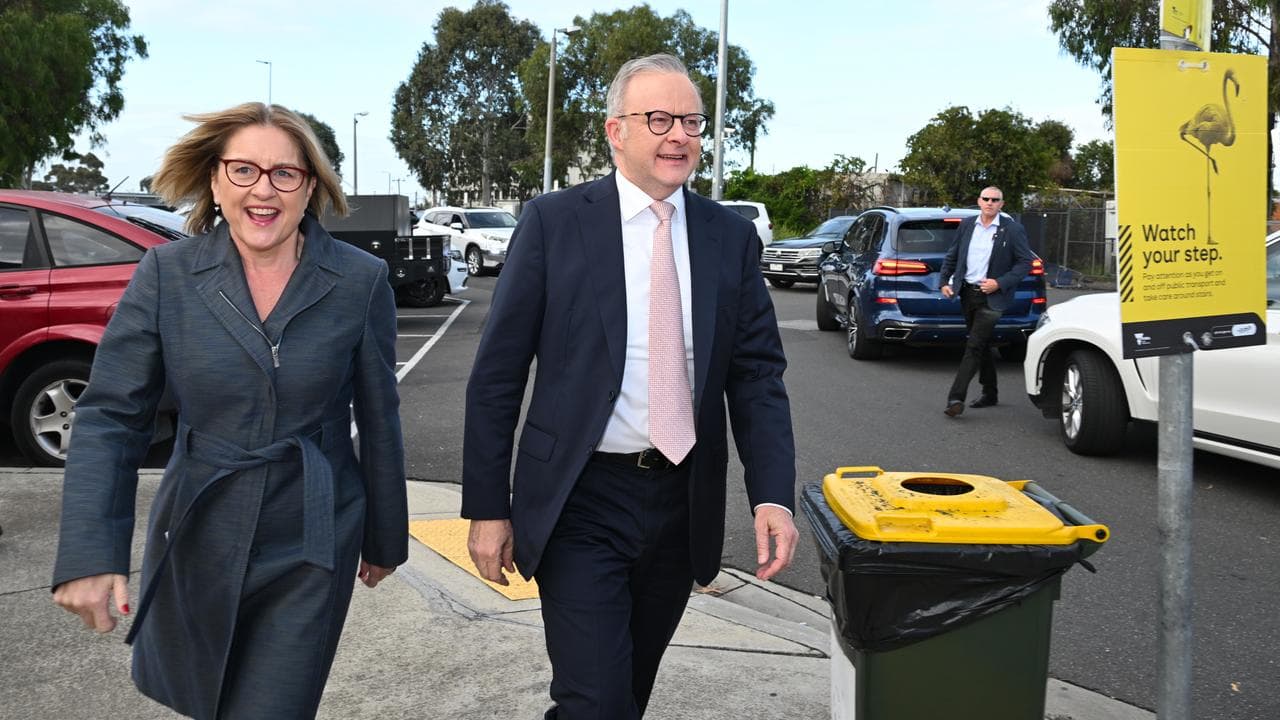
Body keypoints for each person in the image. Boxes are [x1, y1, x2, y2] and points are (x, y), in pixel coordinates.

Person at [462, 54, 799, 719]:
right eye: (660, 119)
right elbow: (498, 373)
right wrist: (487, 506)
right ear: (616, 132)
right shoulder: (554, 223)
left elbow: (757, 374)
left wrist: (772, 497)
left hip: (681, 503)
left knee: (628, 692)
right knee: (596, 701)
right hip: (581, 500)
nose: (680, 135)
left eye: (693, 122)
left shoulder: (728, 237)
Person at [51, 102, 408, 719]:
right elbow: (111, 415)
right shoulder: (166, 274)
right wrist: (90, 552)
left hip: (312, 537)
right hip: (199, 529)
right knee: (203, 696)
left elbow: (380, 415)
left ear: (310, 188)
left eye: (284, 174)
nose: (262, 189)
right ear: (216, 181)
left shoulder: (360, 279)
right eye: (243, 170)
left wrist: (384, 535)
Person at [938, 186, 1035, 417]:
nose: (990, 203)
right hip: (967, 293)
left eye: (995, 200)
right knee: (980, 343)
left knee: (973, 346)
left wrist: (999, 283)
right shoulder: (967, 225)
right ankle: (990, 392)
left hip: (992, 297)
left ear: (1002, 204)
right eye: (986, 199)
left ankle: (955, 398)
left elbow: (1025, 263)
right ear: (979, 201)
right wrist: (944, 281)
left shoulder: (1012, 229)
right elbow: (953, 255)